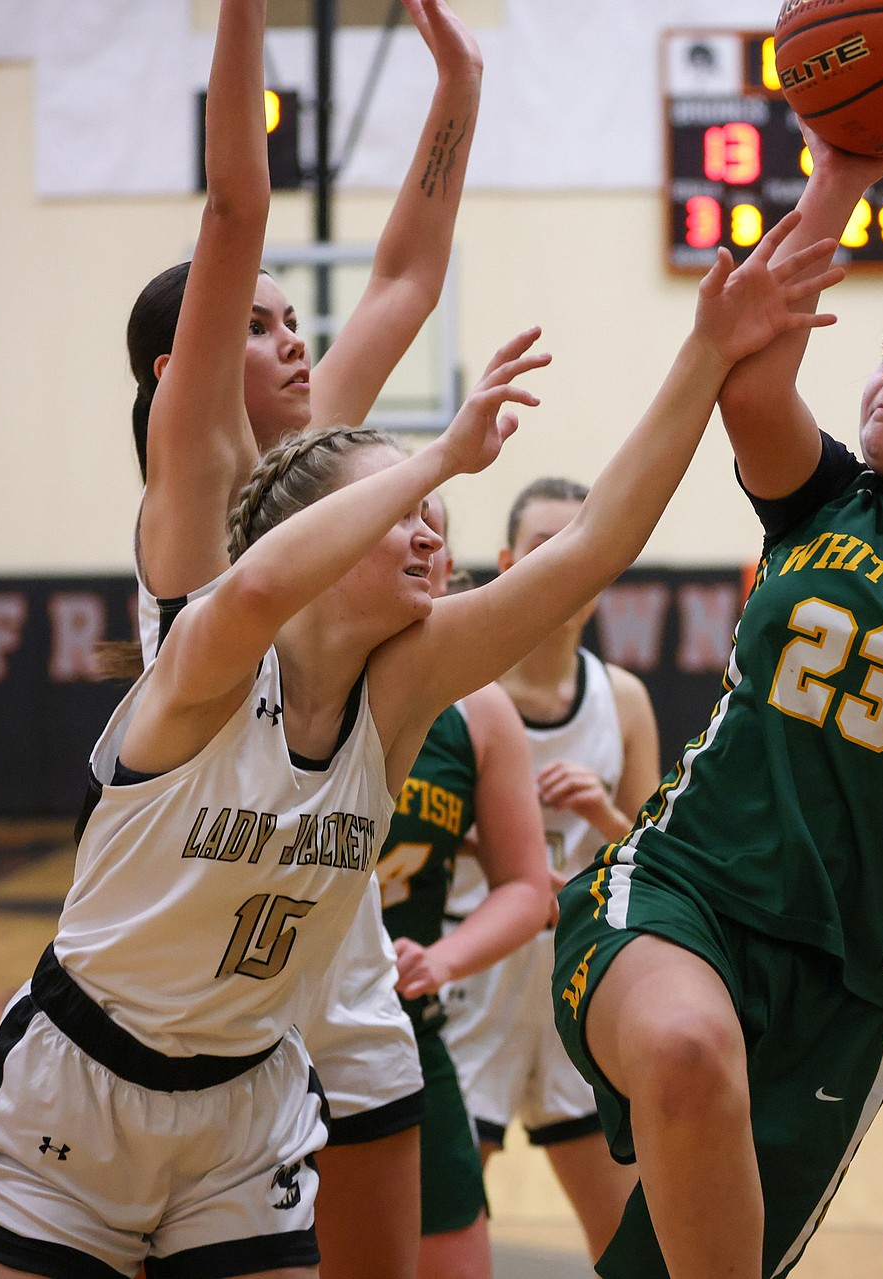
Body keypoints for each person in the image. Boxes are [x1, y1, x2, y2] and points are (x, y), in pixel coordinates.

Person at [0, 191, 849, 1278]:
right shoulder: (208, 661)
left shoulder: (400, 697)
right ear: (320, 540)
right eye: (401, 510)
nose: (434, 526)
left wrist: (706, 352)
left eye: (433, 510)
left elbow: (596, 545)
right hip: (83, 1087)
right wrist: (437, 457)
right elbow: (262, 582)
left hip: (246, 1106)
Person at [550, 2, 883, 1277]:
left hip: (852, 982)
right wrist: (839, 170)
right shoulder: (822, 497)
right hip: (685, 890)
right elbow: (748, 373)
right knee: (686, 1050)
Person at [120, 0, 489, 1273]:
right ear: (186, 368)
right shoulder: (198, 479)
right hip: (198, 932)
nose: (297, 340)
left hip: (329, 932)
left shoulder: (313, 460)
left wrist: (461, 82)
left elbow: (404, 277)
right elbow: (235, 211)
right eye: (263, 324)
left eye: (294, 325)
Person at [441, 476, 658, 1261]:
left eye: (583, 544)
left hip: (577, 986)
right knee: (433, 1247)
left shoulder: (623, 698)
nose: (568, 562)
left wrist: (602, 817)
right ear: (505, 562)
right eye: (545, 545)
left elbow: (652, 859)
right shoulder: (457, 690)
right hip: (470, 984)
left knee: (635, 1251)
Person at [374, 492, 550, 1279]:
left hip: (403, 1025)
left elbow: (528, 886)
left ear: (447, 566)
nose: (419, 541)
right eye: (394, 520)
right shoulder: (292, 671)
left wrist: (442, 959)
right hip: (271, 1030)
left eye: (434, 531)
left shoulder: (480, 711)